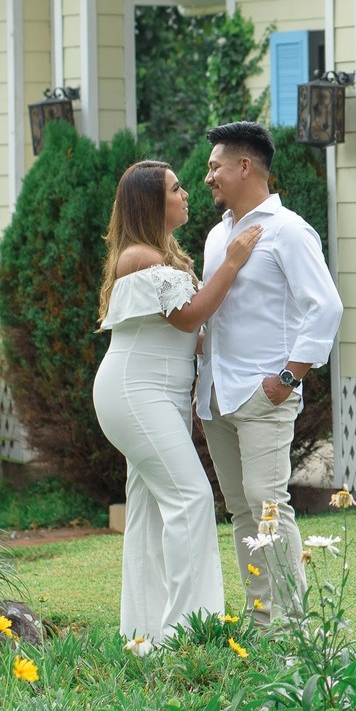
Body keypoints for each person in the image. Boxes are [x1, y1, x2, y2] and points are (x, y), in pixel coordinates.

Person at [91, 160, 261, 643]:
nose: (186, 193)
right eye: (175, 188)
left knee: (148, 513)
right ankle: (190, 631)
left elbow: (190, 336)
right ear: (151, 201)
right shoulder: (140, 257)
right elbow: (188, 319)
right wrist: (232, 262)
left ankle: (145, 636)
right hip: (134, 392)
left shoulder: (161, 256)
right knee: (191, 498)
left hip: (156, 396)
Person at [195, 120, 343, 627]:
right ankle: (262, 620)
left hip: (264, 394)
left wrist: (287, 377)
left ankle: (293, 625)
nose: (207, 177)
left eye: (215, 167)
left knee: (268, 507)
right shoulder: (218, 236)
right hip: (217, 396)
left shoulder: (289, 230)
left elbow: (325, 307)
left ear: (244, 166)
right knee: (241, 512)